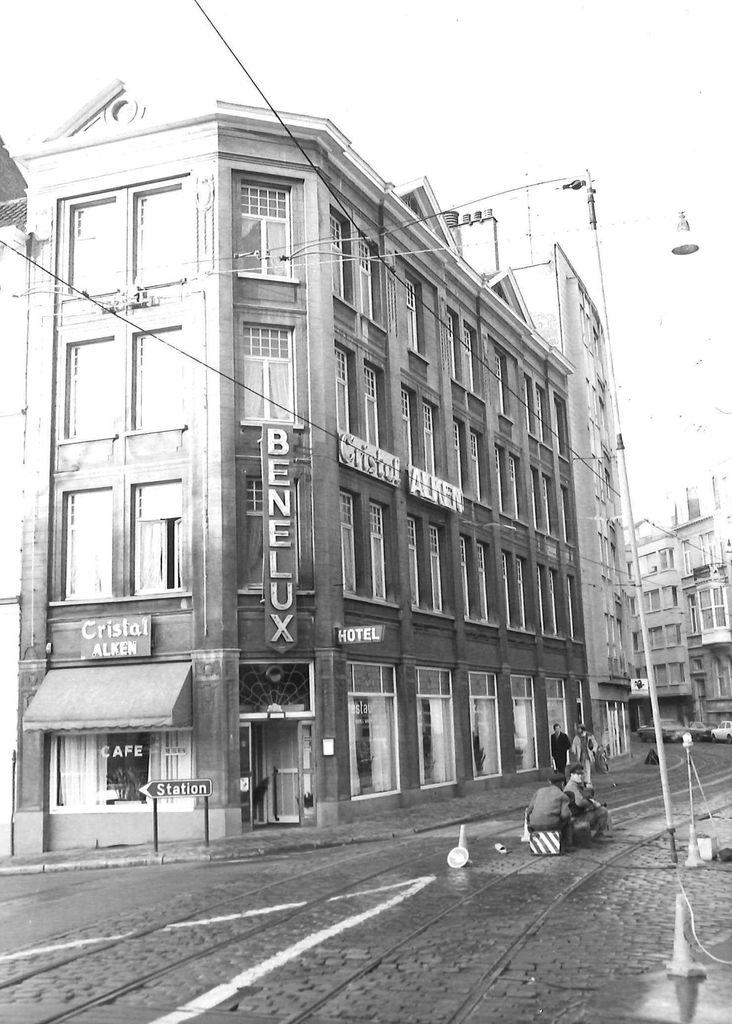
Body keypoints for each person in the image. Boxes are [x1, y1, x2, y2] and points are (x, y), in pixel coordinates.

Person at [525, 772, 574, 852]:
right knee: (568, 821)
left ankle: (535, 841)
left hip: (534, 825)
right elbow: (565, 815)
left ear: (550, 782)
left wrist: (529, 822)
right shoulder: (562, 795)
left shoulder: (539, 791)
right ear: (562, 783)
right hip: (552, 825)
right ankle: (567, 845)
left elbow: (529, 810)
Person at [564, 763, 611, 839]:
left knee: (598, 810)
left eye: (581, 774)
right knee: (602, 811)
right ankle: (596, 835)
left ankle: (592, 834)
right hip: (575, 817)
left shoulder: (578, 785)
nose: (580, 776)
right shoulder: (571, 787)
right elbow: (580, 802)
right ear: (571, 775)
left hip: (577, 814)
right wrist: (593, 804)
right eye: (577, 774)